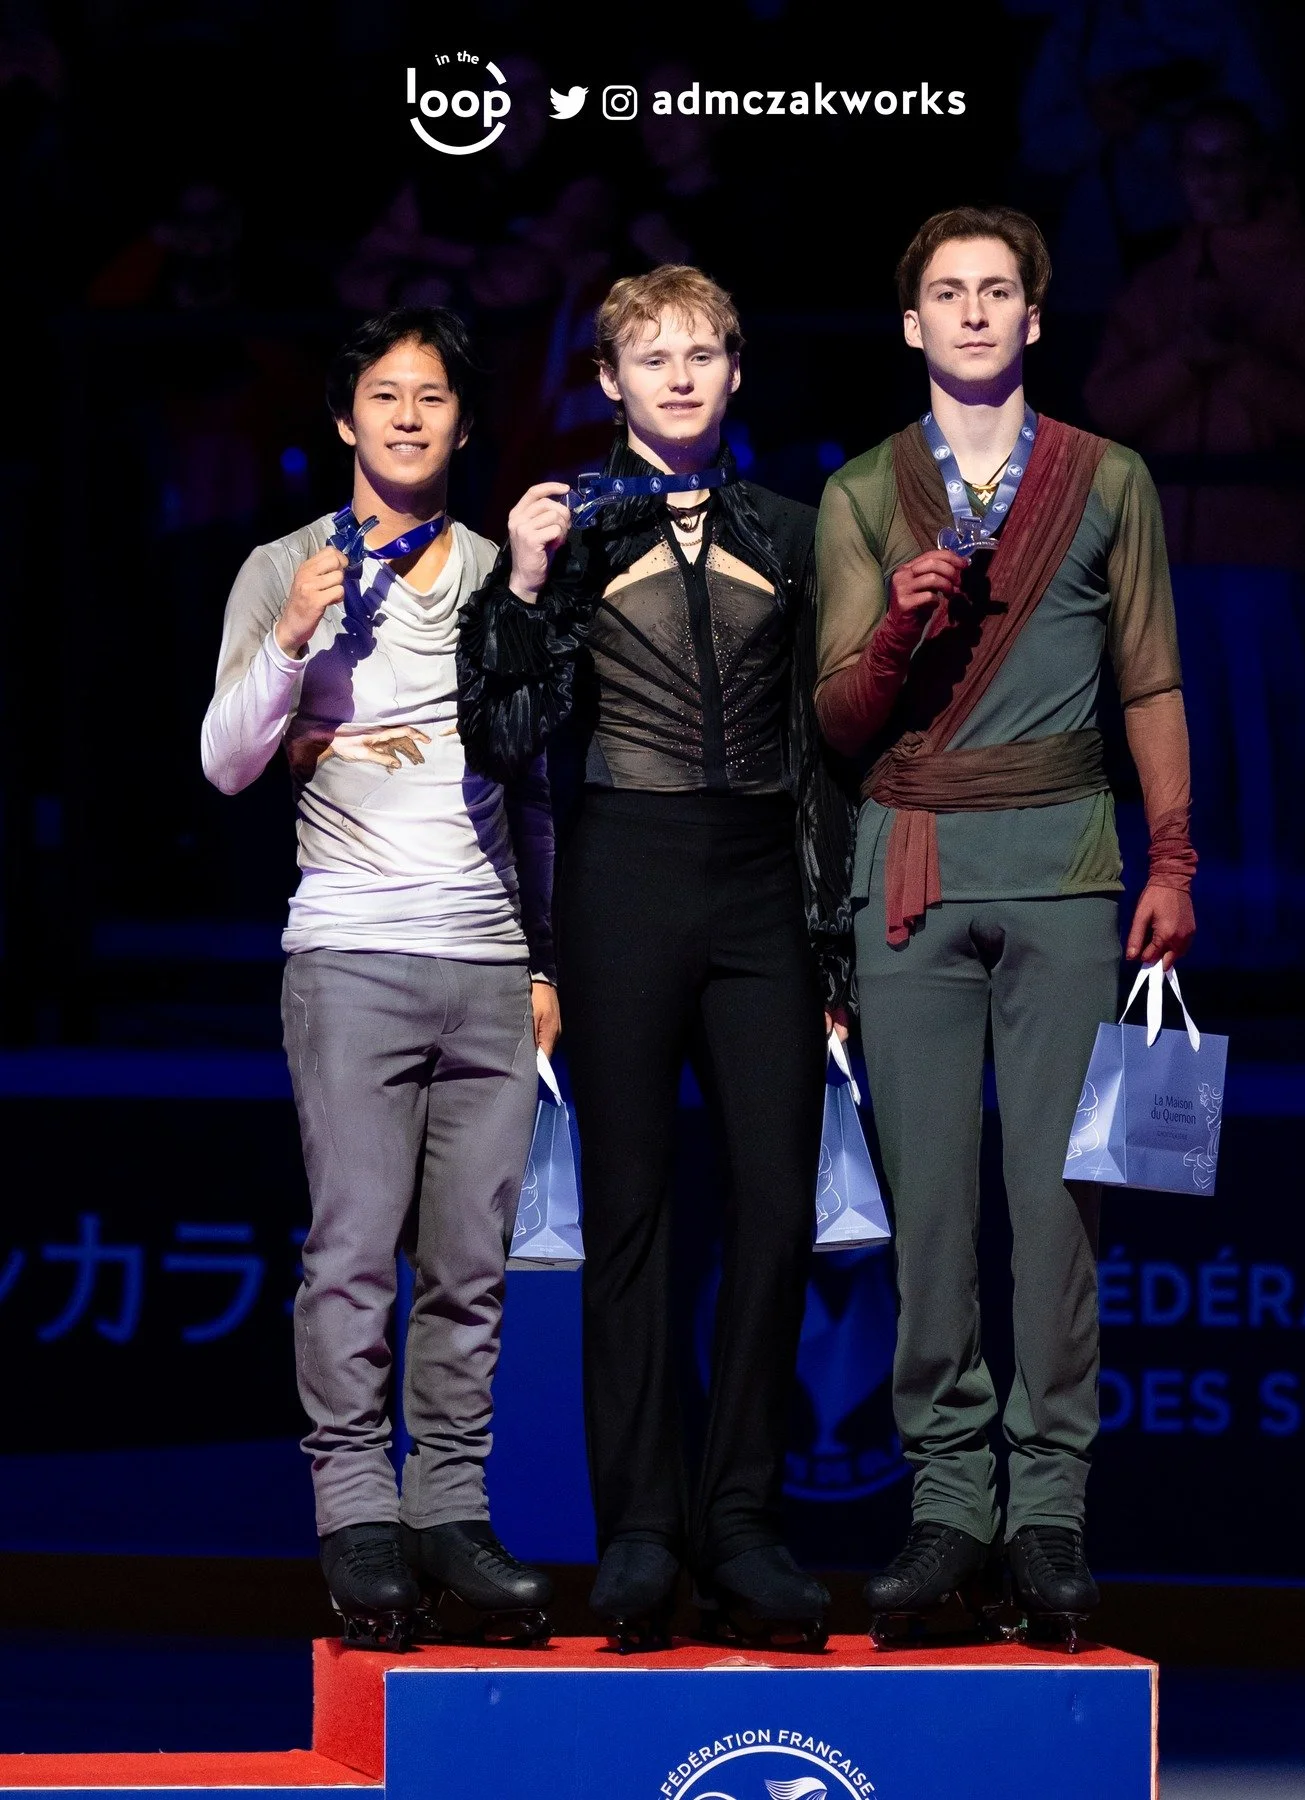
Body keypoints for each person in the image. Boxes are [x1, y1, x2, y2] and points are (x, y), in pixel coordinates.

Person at [813, 206, 1196, 1647]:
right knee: (930, 1217)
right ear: (910, 324)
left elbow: (1150, 683)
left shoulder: (1109, 480)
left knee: (1056, 1217)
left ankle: (1048, 1517)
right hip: (909, 865)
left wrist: (1174, 853)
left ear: (1034, 318)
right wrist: (899, 631)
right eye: (945, 293)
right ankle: (945, 1509)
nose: (972, 312)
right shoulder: (863, 491)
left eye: (997, 291)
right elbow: (841, 719)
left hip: (1065, 869)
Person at [456, 265, 851, 1652]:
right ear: (608, 381)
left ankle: (741, 1522)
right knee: (628, 1216)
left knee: (777, 1208)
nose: (679, 375)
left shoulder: (802, 532)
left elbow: (833, 757)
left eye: (702, 353)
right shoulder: (568, 527)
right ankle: (637, 1528)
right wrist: (520, 574)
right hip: (623, 881)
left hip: (762, 897)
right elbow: (506, 738)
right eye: (651, 356)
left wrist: (840, 951)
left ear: (737, 372)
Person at [201, 306, 557, 1649]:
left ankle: (448, 1514)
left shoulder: (494, 570)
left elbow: (531, 779)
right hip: (348, 951)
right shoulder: (280, 564)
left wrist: (545, 960)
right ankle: (356, 1516)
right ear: (346, 419)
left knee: (471, 1262)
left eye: (433, 396)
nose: (409, 415)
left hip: (484, 960)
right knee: (353, 1250)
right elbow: (227, 763)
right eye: (384, 395)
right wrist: (293, 634)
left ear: (463, 421)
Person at [1084, 100, 1305, 932]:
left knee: (1268, 753)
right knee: (1183, 764)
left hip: (1265, 553)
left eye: (1224, 160)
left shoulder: (1304, 277)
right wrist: (1185, 360)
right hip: (1174, 556)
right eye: (1194, 163)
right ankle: (1207, 932)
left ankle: (1278, 928)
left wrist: (1234, 357)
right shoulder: (1160, 280)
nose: (1208, 179)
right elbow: (1103, 404)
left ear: (1258, 167)